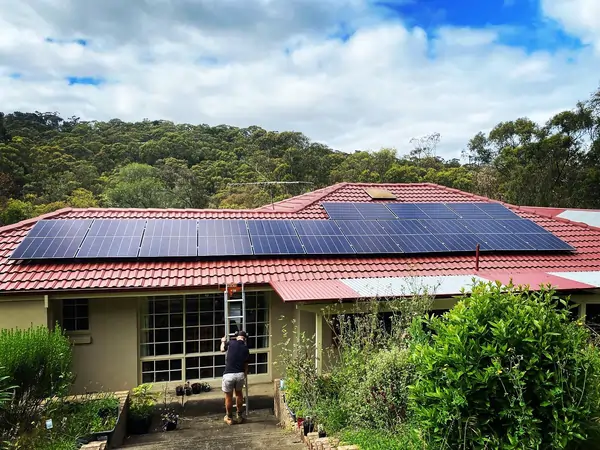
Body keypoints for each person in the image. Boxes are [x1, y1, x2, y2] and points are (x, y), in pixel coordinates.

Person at [220, 330, 249, 425]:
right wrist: (244, 375)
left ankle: (229, 418)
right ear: (245, 339)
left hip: (228, 374)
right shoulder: (246, 349)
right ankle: (239, 416)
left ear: (237, 337)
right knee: (239, 394)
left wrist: (223, 341)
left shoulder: (231, 342)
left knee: (228, 397)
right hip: (240, 374)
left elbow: (222, 349)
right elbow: (246, 365)